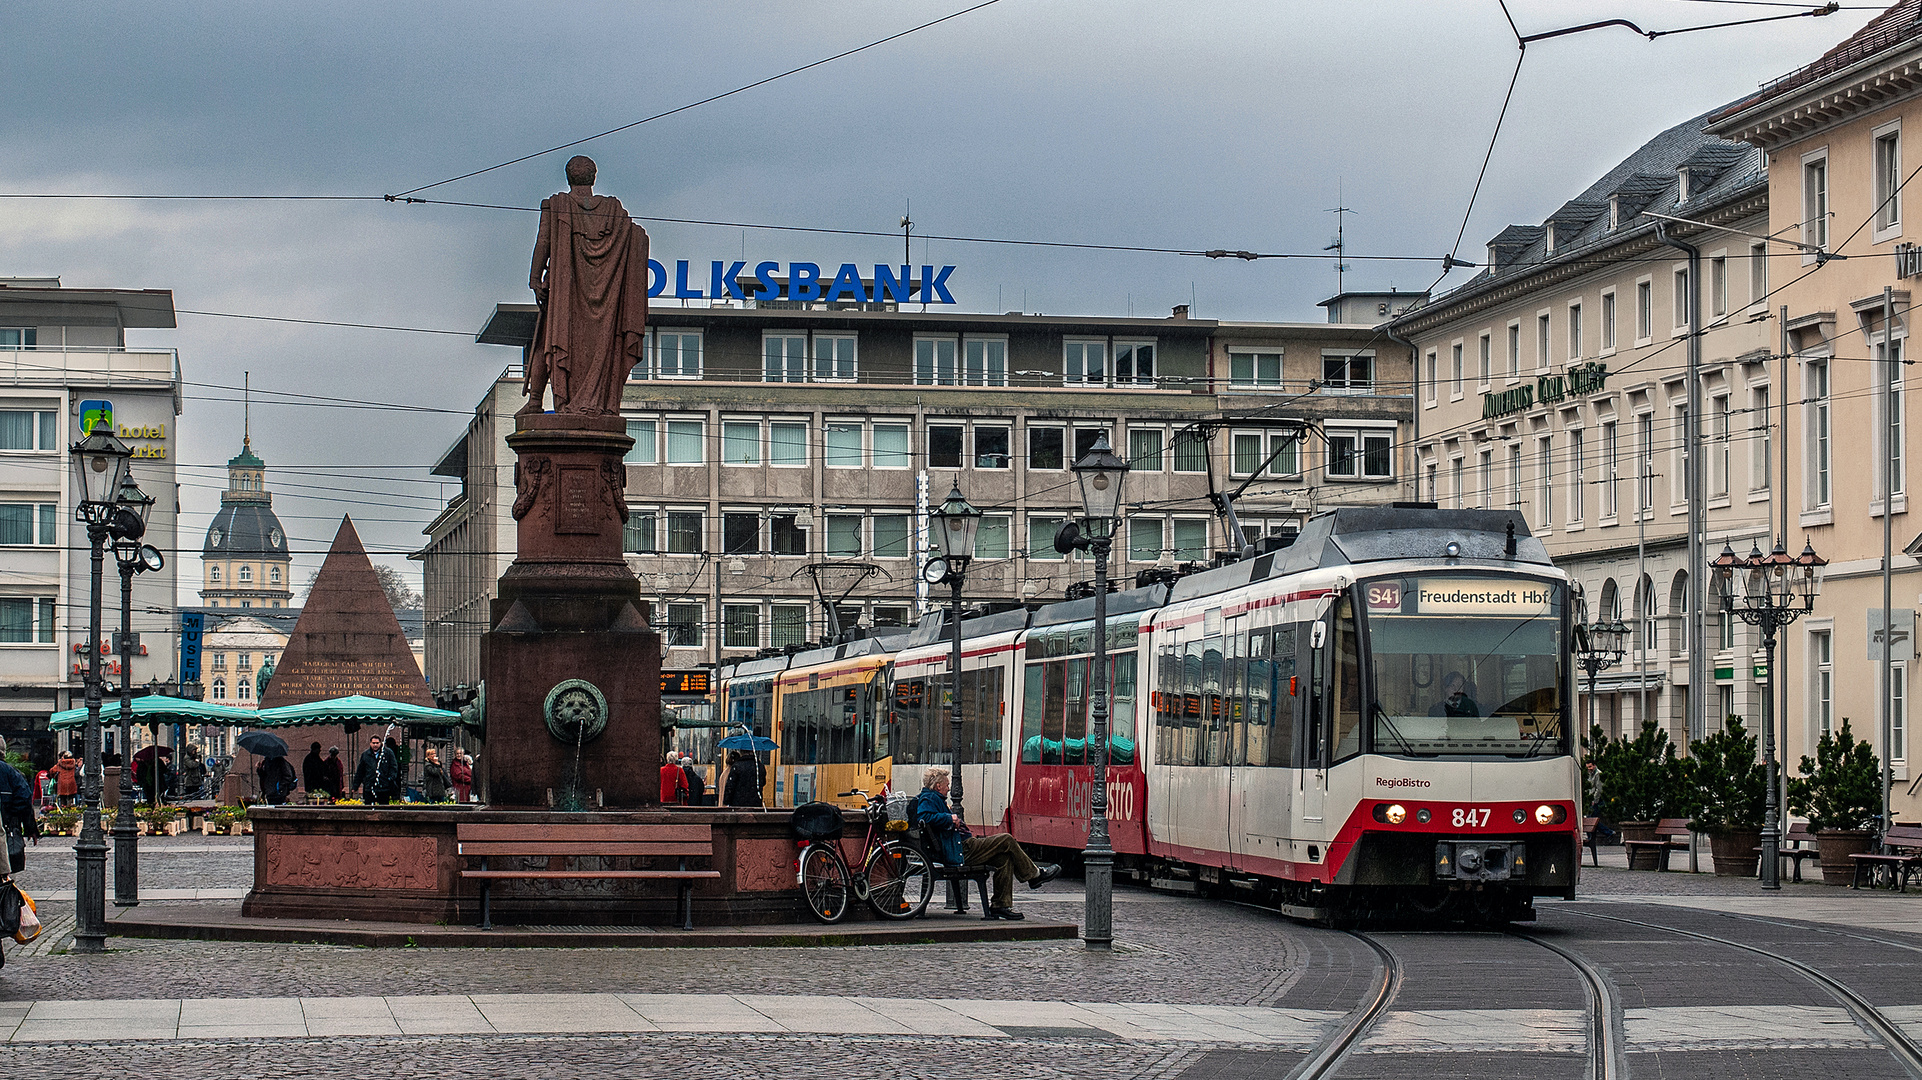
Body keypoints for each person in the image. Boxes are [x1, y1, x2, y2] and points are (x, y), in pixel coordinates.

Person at [524, 155, 650, 417]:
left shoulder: (556, 205)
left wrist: (535, 280)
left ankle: (535, 401)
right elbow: (635, 237)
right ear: (594, 177)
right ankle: (600, 401)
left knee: (548, 344)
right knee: (605, 349)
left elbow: (543, 243)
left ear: (568, 177)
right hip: (607, 307)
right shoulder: (615, 212)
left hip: (565, 300)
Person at [912, 766, 1060, 920]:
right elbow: (924, 817)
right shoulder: (929, 798)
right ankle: (1034, 875)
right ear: (938, 786)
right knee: (1006, 839)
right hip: (962, 849)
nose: (949, 789)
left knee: (1003, 858)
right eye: (947, 785)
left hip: (961, 847)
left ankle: (1000, 905)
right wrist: (949, 818)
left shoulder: (932, 798)